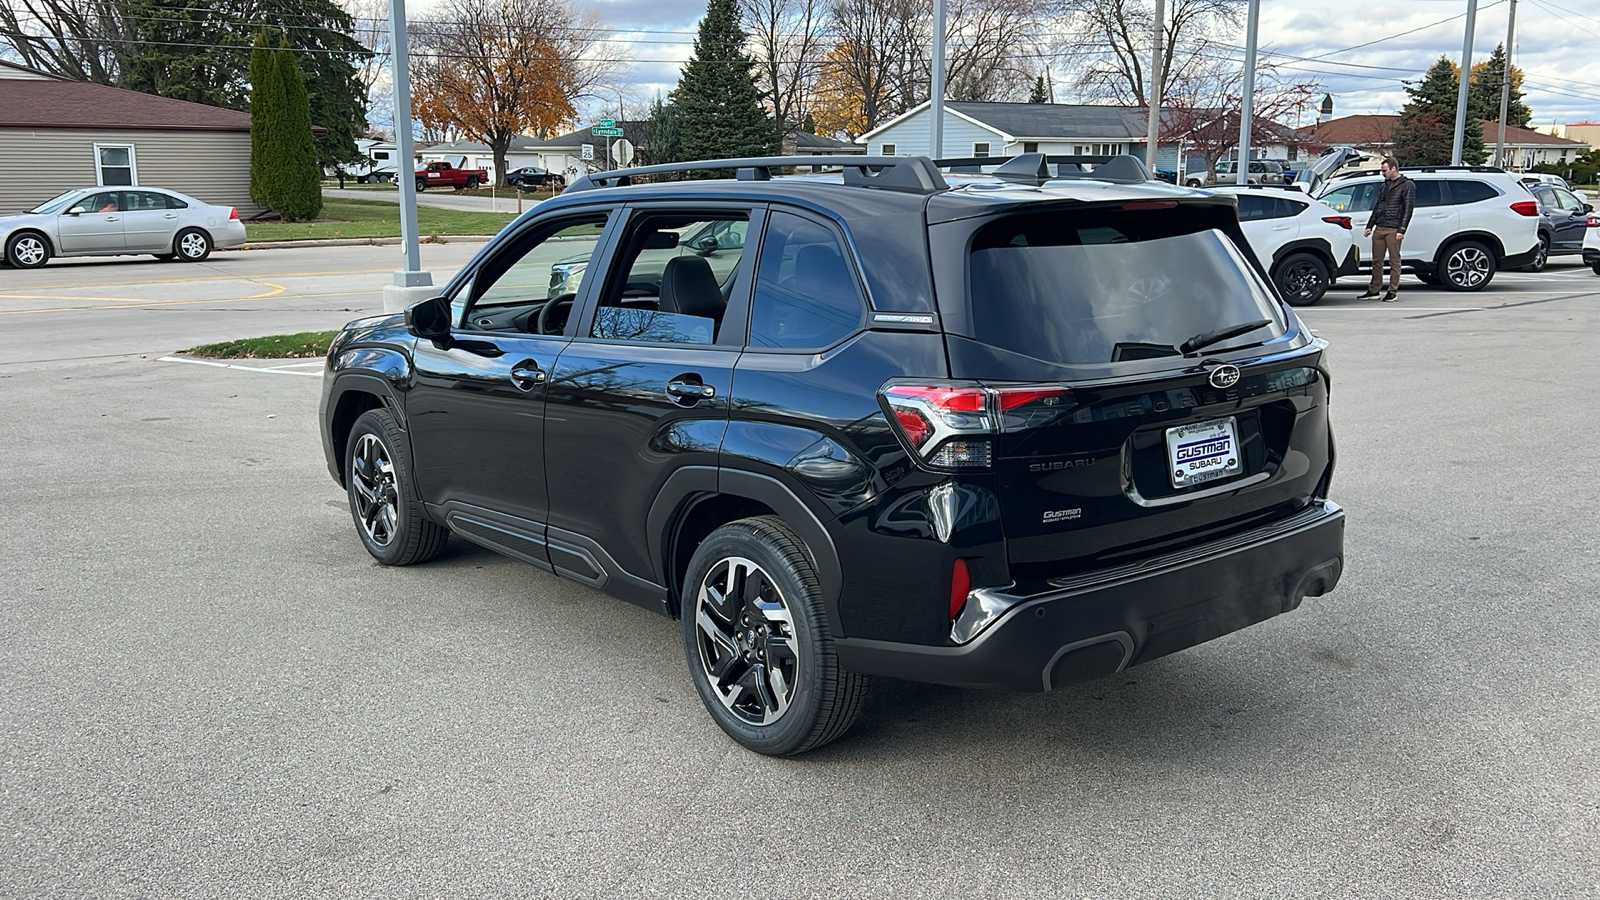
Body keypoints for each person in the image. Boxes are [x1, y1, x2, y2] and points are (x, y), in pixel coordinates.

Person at [1358, 157, 1415, 302]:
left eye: (1384, 170)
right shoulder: (1385, 186)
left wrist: (1401, 230)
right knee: (1377, 260)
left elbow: (1408, 209)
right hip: (1380, 226)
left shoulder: (1407, 185)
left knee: (1394, 260)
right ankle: (1374, 290)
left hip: (1394, 227)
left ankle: (1392, 290)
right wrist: (1370, 225)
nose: (1382, 173)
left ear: (1393, 168)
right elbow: (1378, 206)